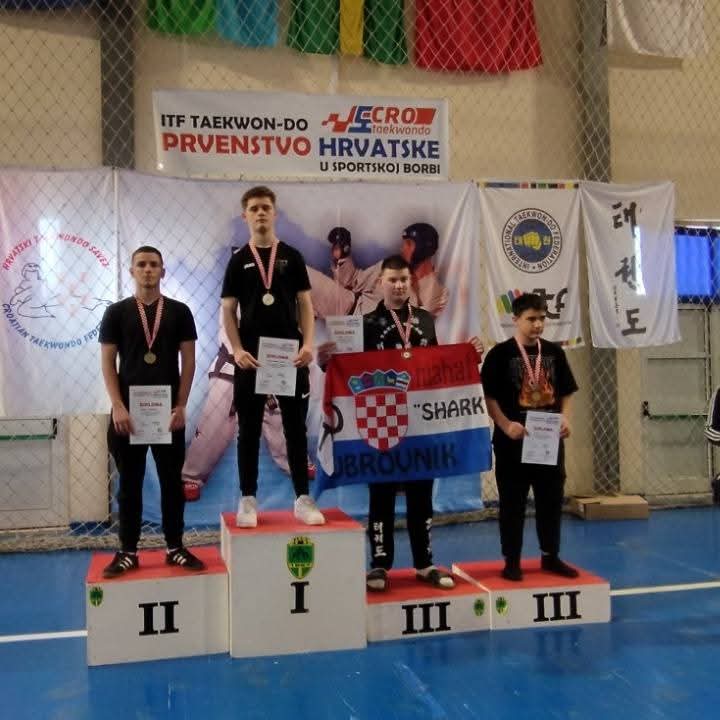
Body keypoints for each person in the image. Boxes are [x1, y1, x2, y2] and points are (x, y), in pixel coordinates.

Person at [319, 254, 483, 592]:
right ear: (381, 283)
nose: (398, 285)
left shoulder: (424, 320)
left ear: (411, 282)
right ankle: (380, 565)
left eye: (404, 280)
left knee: (421, 494)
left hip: (420, 425)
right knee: (381, 493)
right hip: (383, 423)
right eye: (392, 280)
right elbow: (347, 369)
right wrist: (326, 361)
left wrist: (467, 355)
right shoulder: (365, 324)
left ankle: (425, 563)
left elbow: (436, 368)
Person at [221, 185, 324, 527]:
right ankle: (248, 499)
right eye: (254, 208)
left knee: (295, 428)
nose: (261, 213)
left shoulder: (292, 257)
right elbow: (228, 310)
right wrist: (237, 350)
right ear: (245, 216)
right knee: (248, 430)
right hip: (252, 357)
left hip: (288, 355)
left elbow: (305, 304)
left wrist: (308, 345)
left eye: (266, 207)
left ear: (274, 213)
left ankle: (302, 498)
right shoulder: (238, 261)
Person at [99, 246, 204, 578]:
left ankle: (175, 547)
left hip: (167, 413)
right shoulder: (115, 312)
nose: (147, 269)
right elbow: (107, 362)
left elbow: (189, 361)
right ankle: (127, 551)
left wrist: (182, 404)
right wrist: (117, 405)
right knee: (129, 484)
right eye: (141, 264)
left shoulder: (180, 312)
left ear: (163, 271)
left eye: (154, 264)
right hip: (127, 415)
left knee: (172, 482)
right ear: (131, 271)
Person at [481, 293, 579, 581]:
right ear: (516, 320)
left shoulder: (555, 353)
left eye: (542, 319)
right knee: (513, 502)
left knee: (551, 499)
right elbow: (489, 397)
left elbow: (566, 391)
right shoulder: (499, 355)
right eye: (531, 319)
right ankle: (512, 560)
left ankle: (551, 555)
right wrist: (504, 425)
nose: (537, 324)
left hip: (548, 441)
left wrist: (566, 418)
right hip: (513, 441)